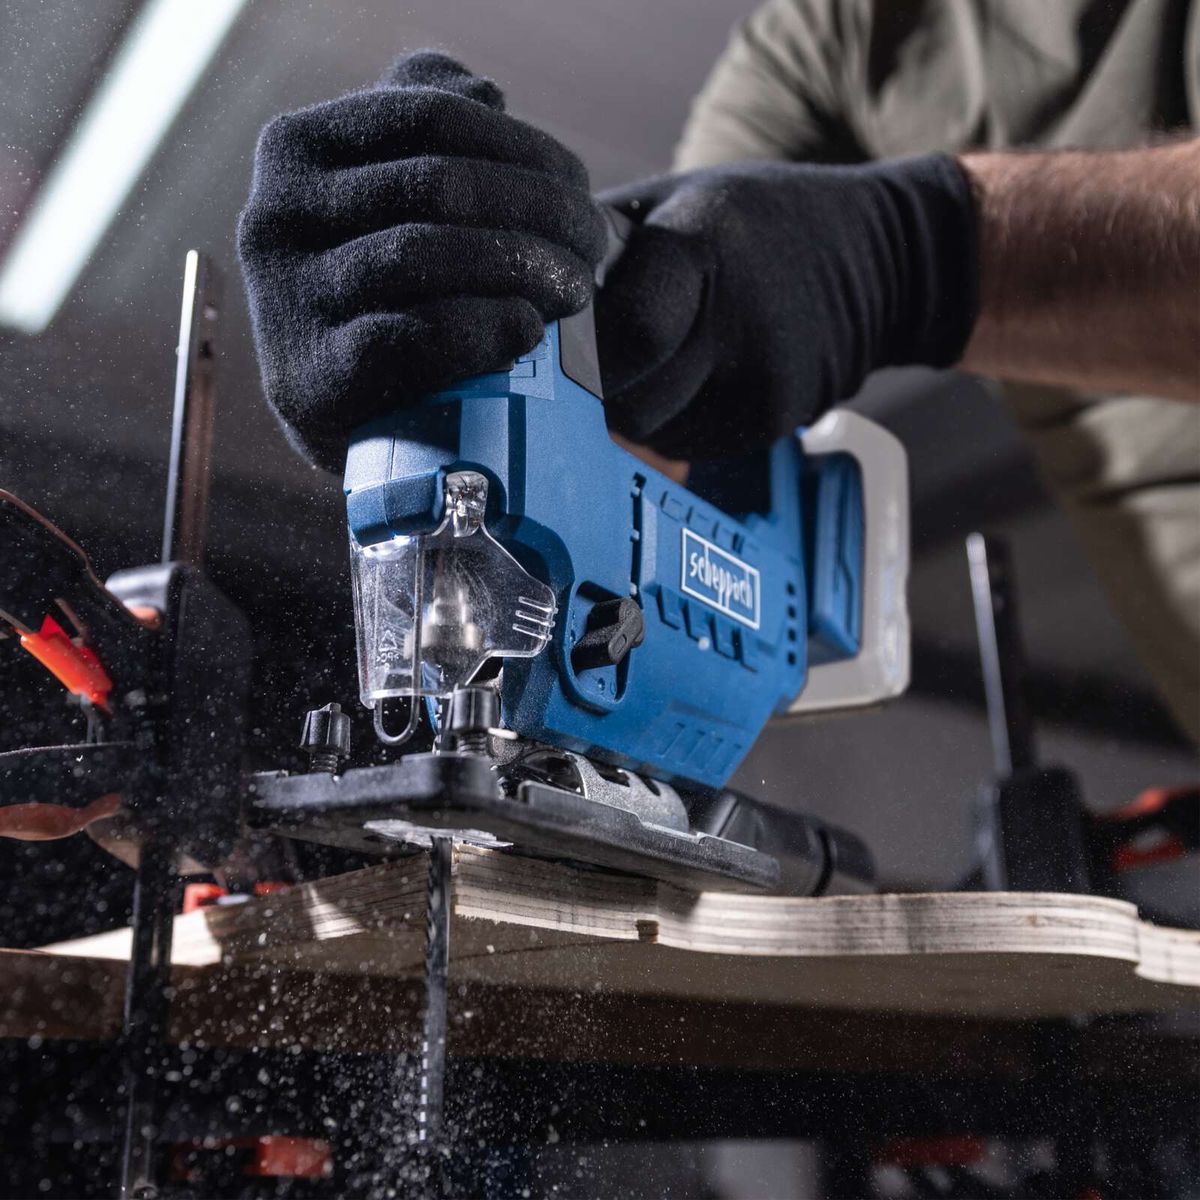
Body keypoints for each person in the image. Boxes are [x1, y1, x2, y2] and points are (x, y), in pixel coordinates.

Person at [237, 4, 1200, 739]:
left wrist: (926, 252)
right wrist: (432, 381)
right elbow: (652, 398)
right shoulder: (826, 41)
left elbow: (883, 255)